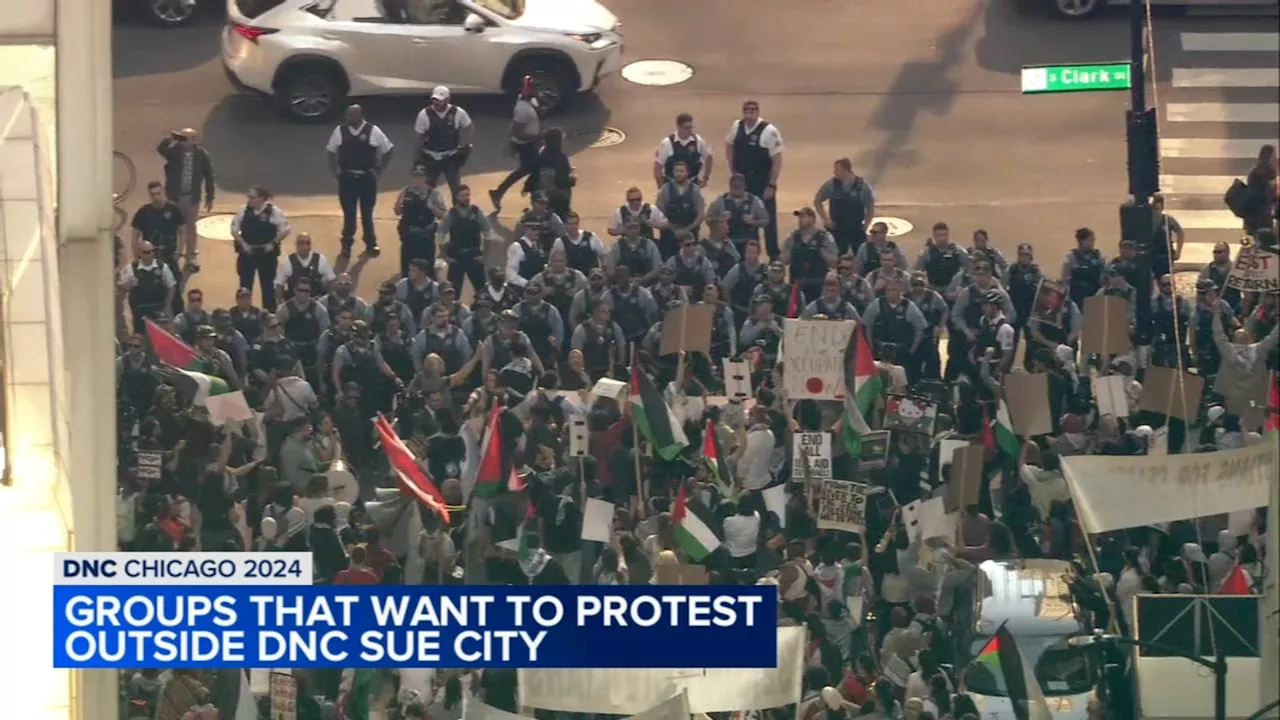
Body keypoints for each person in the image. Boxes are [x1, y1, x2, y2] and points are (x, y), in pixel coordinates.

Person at [326, 104, 395, 258]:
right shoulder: (340, 131)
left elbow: (389, 149)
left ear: (359, 116)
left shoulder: (373, 131)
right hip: (347, 178)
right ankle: (346, 245)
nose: (348, 119)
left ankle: (371, 243)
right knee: (349, 214)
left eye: (351, 116)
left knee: (367, 213)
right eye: (347, 115)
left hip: (367, 179)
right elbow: (331, 151)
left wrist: (380, 170)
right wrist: (334, 171)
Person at [725, 99, 785, 257]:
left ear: (758, 112)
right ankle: (750, 254)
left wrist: (771, 184)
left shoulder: (769, 131)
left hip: (761, 181)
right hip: (743, 181)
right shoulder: (736, 126)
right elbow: (729, 145)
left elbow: (777, 160)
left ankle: (773, 255)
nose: (749, 113)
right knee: (745, 218)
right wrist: (732, 168)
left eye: (752, 110)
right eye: (746, 110)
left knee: (768, 220)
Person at [156, 127, 215, 269]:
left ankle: (191, 257)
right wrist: (170, 138)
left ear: (193, 140)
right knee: (172, 227)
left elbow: (209, 176)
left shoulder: (201, 155)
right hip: (174, 196)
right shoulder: (175, 152)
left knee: (190, 228)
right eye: (182, 138)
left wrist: (210, 196)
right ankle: (173, 254)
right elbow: (161, 149)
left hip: (191, 197)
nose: (183, 142)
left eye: (186, 139)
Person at [131, 181, 187, 315]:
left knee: (175, 291)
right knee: (150, 289)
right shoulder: (144, 212)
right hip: (150, 257)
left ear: (163, 192)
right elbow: (135, 236)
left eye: (158, 193)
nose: (156, 197)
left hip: (169, 255)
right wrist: (136, 257)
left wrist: (179, 251)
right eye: (152, 194)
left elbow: (183, 230)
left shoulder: (173, 210)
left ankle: (178, 318)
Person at [231, 185, 290, 312]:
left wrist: (272, 244)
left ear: (262, 199)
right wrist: (243, 244)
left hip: (266, 254)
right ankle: (244, 313)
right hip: (247, 253)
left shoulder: (273, 212)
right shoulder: (243, 211)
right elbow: (234, 229)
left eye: (252, 197)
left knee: (268, 287)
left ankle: (269, 314)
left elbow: (285, 229)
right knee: (245, 287)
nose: (249, 200)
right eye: (249, 197)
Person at [489, 76, 542, 212]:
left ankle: (499, 192)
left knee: (530, 170)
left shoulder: (529, 101)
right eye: (533, 88)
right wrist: (539, 136)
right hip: (526, 145)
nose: (536, 90)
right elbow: (518, 133)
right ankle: (535, 202)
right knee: (533, 171)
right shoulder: (522, 109)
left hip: (532, 144)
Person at [413, 85, 473, 200]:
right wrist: (418, 159)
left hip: (450, 156)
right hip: (431, 157)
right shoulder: (424, 114)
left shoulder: (457, 112)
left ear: (447, 100)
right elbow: (418, 137)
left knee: (456, 189)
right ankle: (427, 215)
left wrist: (464, 144)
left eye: (440, 101)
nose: (436, 103)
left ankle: (457, 214)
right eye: (434, 100)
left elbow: (469, 127)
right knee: (427, 190)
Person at [394, 166, 450, 279]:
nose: (418, 179)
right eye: (415, 176)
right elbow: (397, 212)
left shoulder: (434, 193)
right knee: (407, 267)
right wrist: (399, 203)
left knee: (427, 268)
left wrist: (432, 207)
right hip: (409, 235)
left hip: (426, 237)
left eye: (420, 176)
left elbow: (442, 214)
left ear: (426, 178)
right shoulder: (406, 191)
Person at [438, 184, 493, 296]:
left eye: (467, 195)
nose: (466, 198)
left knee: (482, 291)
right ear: (457, 197)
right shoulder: (451, 214)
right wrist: (445, 256)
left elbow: (488, 233)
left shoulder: (476, 212)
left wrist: (485, 255)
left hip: (474, 256)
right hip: (456, 258)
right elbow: (440, 235)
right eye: (462, 195)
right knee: (453, 293)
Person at [861, 276, 926, 369]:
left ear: (901, 291)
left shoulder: (909, 306)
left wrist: (912, 350)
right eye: (888, 290)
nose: (891, 292)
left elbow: (920, 328)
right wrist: (871, 347)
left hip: (901, 350)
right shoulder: (877, 304)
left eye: (894, 289)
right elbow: (868, 325)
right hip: (880, 349)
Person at [814, 158, 875, 256]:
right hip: (837, 229)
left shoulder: (862, 186)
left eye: (837, 169)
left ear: (845, 170)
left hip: (855, 229)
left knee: (861, 257)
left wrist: (865, 226)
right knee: (839, 258)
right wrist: (826, 219)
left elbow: (870, 206)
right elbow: (817, 200)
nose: (834, 172)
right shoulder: (831, 185)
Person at [118, 241, 177, 334]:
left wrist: (167, 305)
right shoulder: (131, 269)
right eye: (147, 252)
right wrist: (130, 284)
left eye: (152, 251)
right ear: (139, 253)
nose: (151, 254)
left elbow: (171, 286)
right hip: (139, 310)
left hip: (159, 309)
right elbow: (122, 287)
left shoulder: (162, 267)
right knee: (141, 335)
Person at [782, 207, 840, 302]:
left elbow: (834, 262)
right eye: (799, 217)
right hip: (797, 283)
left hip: (818, 284)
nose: (800, 220)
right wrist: (792, 253)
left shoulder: (824, 237)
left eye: (803, 216)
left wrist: (822, 253)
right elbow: (783, 260)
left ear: (813, 218)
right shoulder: (793, 236)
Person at [656, 162, 707, 259]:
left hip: (690, 232)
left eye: (681, 171)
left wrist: (687, 230)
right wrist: (673, 230)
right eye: (676, 171)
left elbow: (701, 214)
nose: (678, 174)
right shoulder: (665, 189)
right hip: (669, 234)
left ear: (687, 173)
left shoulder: (696, 190)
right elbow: (659, 212)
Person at [654, 112, 713, 190]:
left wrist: (705, 178)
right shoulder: (667, 143)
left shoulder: (698, 141)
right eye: (686, 128)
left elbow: (709, 157)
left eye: (691, 127)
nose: (689, 131)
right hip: (672, 186)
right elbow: (657, 166)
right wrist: (661, 186)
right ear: (678, 127)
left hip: (692, 186)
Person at [527, 127, 575, 220]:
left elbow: (534, 174)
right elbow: (560, 180)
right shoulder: (560, 158)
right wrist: (572, 180)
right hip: (558, 198)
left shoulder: (541, 155)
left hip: (542, 196)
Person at [274, 233, 335, 304]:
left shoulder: (321, 259)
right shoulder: (287, 262)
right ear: (296, 245)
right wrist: (281, 305)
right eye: (301, 243)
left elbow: (331, 280)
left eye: (307, 243)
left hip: (316, 303)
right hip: (295, 304)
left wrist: (329, 302)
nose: (305, 246)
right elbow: (279, 285)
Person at [1061, 227, 1105, 310]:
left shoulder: (1098, 256)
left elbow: (1104, 276)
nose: (1093, 243)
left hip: (1096, 298)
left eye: (1093, 240)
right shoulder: (1071, 258)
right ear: (1081, 241)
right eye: (1090, 240)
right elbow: (1065, 281)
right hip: (1077, 300)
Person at [553, 212, 608, 276]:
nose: (573, 227)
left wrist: (604, 272)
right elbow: (554, 262)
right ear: (565, 225)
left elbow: (603, 256)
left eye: (575, 224)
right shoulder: (560, 242)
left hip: (592, 278)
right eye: (570, 224)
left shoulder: (591, 237)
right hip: (571, 280)